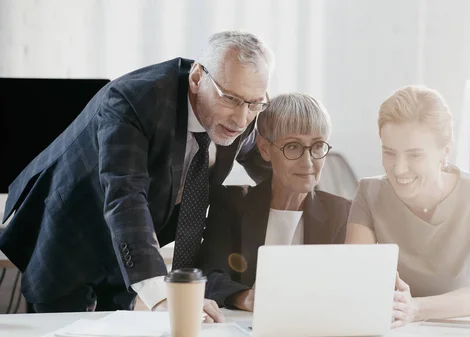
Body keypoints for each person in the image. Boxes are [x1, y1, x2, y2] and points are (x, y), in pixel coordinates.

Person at [0, 31, 274, 321]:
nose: (242, 119)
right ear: (196, 79)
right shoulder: (134, 99)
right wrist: (166, 296)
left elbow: (278, 172)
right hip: (72, 236)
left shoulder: (238, 115)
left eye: (255, 103)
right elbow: (125, 196)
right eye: (231, 99)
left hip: (130, 253)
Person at [345, 85, 470, 327]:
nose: (398, 169)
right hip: (396, 329)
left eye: (414, 155)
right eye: (389, 153)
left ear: (445, 151)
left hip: (460, 328)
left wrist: (417, 308)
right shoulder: (369, 193)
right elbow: (355, 282)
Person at [198, 93, 351, 312]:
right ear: (265, 149)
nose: (307, 162)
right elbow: (210, 276)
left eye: (317, 146)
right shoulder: (232, 204)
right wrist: (246, 298)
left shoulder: (341, 211)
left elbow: (347, 287)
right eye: (292, 147)